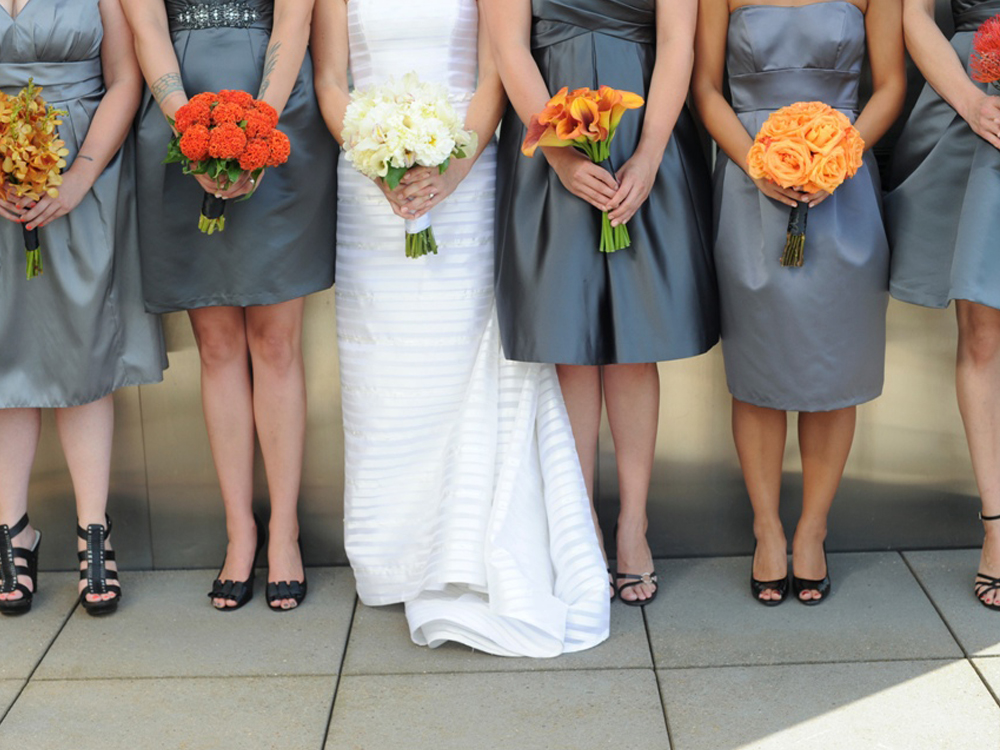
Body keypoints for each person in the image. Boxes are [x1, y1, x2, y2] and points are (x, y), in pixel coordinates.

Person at [312, 0, 609, 656]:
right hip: (369, 184)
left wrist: (453, 167)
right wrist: (370, 154)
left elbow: (493, 74)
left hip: (467, 176)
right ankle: (390, 557)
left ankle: (465, 541)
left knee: (460, 358)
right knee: (381, 375)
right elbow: (332, 79)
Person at [484, 0, 720, 606]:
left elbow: (676, 44)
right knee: (571, 340)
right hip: (546, 138)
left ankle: (633, 525)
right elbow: (510, 45)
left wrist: (649, 153)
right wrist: (558, 152)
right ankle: (579, 520)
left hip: (648, 126)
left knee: (636, 341)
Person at [123, 0, 337, 611]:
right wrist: (191, 131)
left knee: (276, 340)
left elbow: (295, 23)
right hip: (179, 115)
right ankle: (239, 530)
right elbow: (146, 27)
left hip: (276, 112)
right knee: (216, 346)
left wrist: (256, 132)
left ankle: (285, 531)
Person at [693, 0, 904, 603]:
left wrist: (836, 155)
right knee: (758, 363)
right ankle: (767, 529)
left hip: (845, 183)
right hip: (747, 181)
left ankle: (813, 529)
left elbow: (889, 86)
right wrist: (757, 163)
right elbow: (707, 88)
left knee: (833, 362)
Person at [0, 0, 166, 616]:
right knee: (5, 349)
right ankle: (12, 530)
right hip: (0, 178)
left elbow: (125, 77)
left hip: (85, 172)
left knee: (85, 344)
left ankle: (93, 530)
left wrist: (78, 178)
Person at [885, 0, 1000, 609]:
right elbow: (915, 17)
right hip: (973, 107)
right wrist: (974, 103)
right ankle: (997, 529)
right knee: (980, 330)